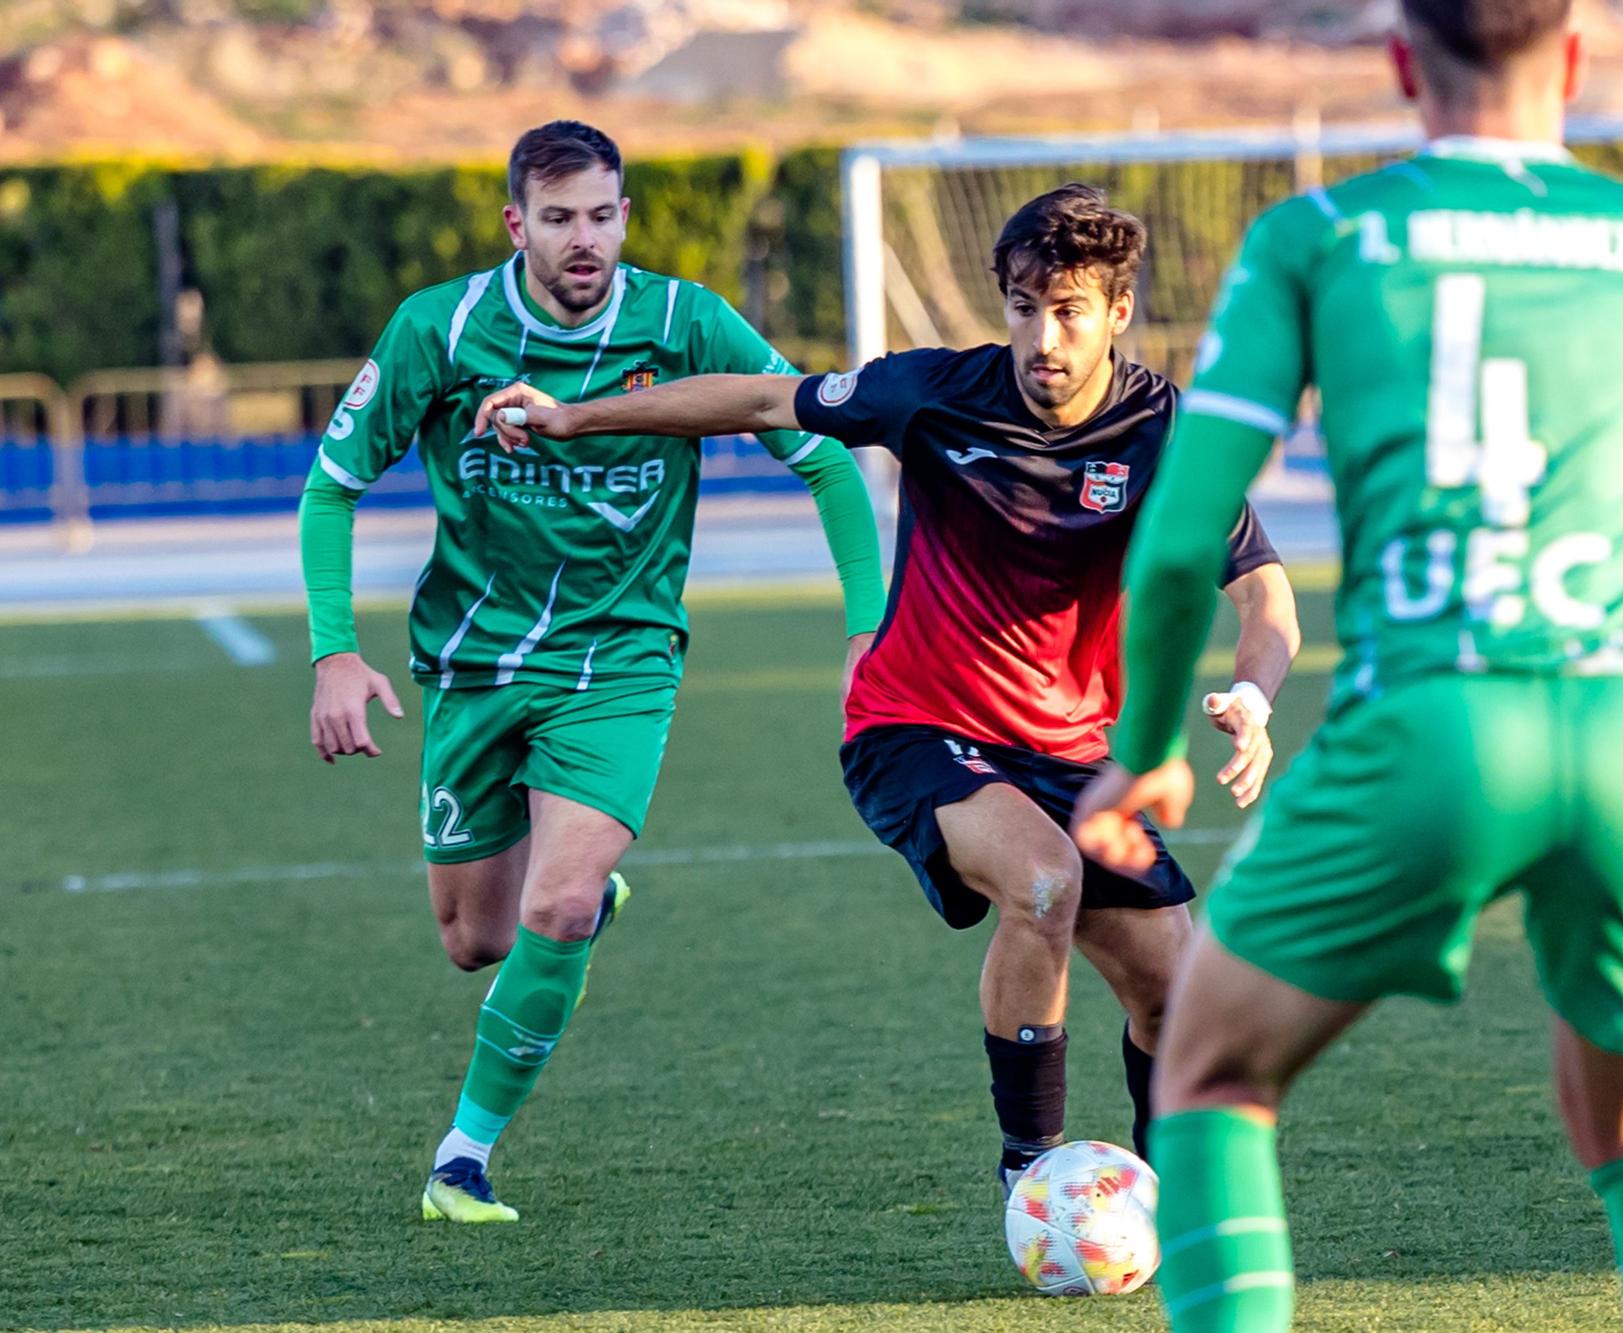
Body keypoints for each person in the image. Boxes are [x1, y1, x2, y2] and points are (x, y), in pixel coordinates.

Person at [1071, 2, 1623, 1329]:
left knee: (1209, 1073)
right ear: (1570, 59)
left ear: (1400, 65)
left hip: (1440, 718)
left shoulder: (1319, 240)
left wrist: (1148, 746)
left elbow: (1171, 550)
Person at [473, 183, 1300, 1196]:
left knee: (1175, 993)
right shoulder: (930, 393)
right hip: (916, 727)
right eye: (1023, 305)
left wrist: (1253, 696)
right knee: (1043, 882)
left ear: (1118, 313)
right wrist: (572, 417)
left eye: (1070, 310)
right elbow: (758, 399)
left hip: (1076, 755)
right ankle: (1028, 1171)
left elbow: (1265, 594)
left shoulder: (1165, 433)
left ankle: (1176, 1200)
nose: (1042, 336)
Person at [298, 120, 886, 1223]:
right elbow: (332, 485)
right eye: (559, 218)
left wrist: (869, 622)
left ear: (625, 214)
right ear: (516, 223)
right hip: (473, 664)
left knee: (555, 907)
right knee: (477, 939)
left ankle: (461, 1157)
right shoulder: (443, 329)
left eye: (602, 215)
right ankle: (574, 908)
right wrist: (335, 648)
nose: (585, 240)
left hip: (620, 660)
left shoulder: (684, 322)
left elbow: (824, 456)